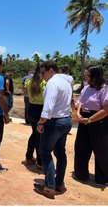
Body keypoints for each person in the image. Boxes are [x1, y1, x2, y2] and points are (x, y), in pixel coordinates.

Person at [34, 61, 72, 199]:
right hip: (66, 120)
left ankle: (49, 187)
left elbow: (48, 108)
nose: (41, 75)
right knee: (60, 153)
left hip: (54, 122)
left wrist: (40, 123)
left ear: (51, 70)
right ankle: (59, 184)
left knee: (44, 152)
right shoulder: (65, 82)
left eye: (43, 72)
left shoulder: (52, 83)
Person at [74, 66, 108, 187]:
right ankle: (81, 174)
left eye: (88, 75)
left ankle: (102, 178)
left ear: (95, 77)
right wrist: (78, 113)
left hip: (98, 120)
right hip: (84, 119)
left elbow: (106, 109)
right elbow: (80, 102)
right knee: (81, 147)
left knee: (100, 150)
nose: (86, 78)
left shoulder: (104, 89)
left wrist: (90, 119)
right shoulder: (87, 88)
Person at [24, 66, 46, 170]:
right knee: (40, 137)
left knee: (35, 134)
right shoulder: (45, 83)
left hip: (31, 109)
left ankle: (29, 157)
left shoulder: (29, 81)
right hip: (41, 110)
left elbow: (25, 93)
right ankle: (40, 162)